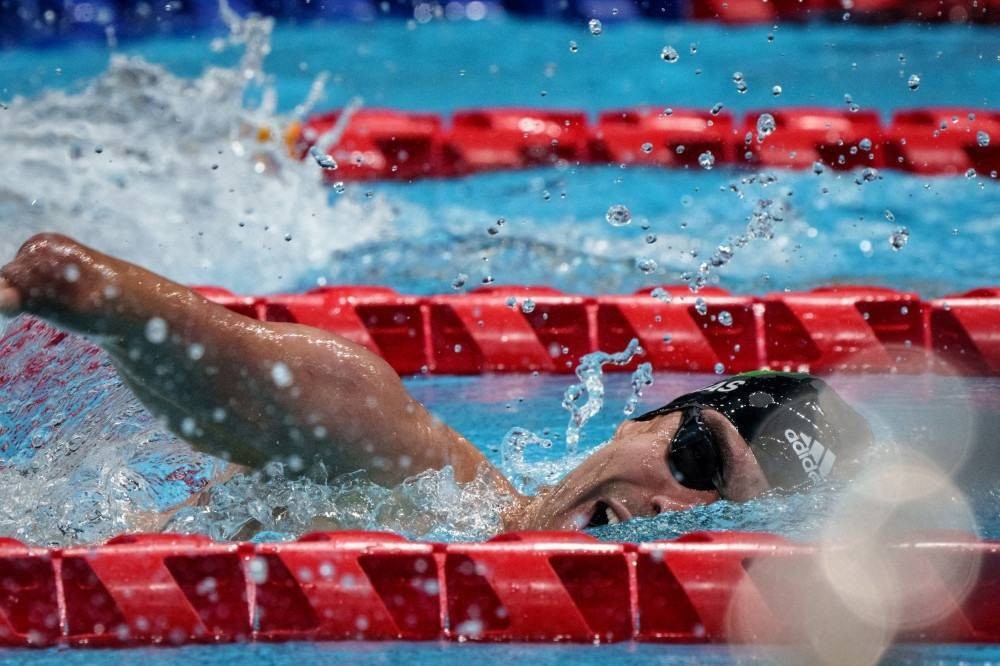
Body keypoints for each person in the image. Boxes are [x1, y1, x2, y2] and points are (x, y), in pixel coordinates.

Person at [0, 233, 873, 533]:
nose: (675, 512)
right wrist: (65, 290)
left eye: (724, 524)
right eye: (695, 458)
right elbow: (86, 290)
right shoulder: (412, 470)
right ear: (645, 420)